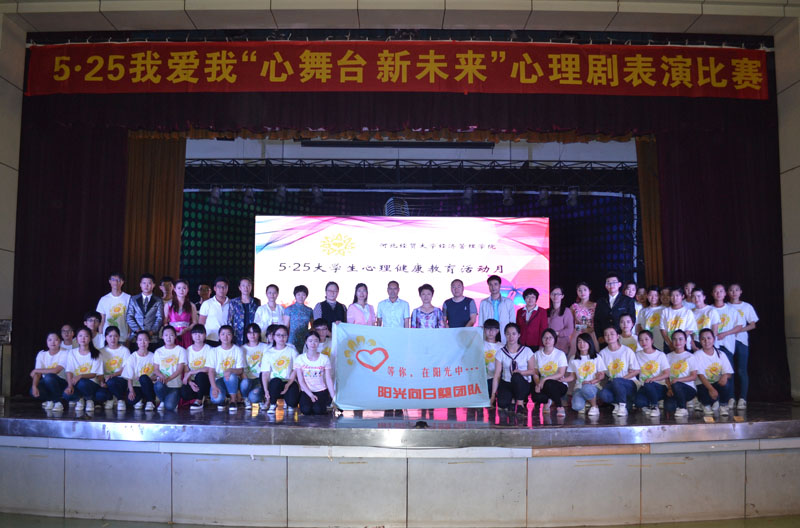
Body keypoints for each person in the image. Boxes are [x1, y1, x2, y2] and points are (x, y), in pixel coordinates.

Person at [490, 323, 535, 414]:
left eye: (514, 334)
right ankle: (512, 399)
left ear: (519, 335)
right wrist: (493, 395)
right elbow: (497, 374)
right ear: (505, 335)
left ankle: (520, 403)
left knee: (516, 376)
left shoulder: (527, 351)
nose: (511, 337)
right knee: (502, 404)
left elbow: (533, 371)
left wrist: (521, 372)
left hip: (522, 383)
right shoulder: (500, 353)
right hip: (507, 383)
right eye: (508, 334)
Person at [728, 283, 759, 409]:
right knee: (729, 371)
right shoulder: (725, 306)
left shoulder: (746, 306)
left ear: (740, 292)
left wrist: (738, 330)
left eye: (736, 290)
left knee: (741, 370)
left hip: (741, 341)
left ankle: (743, 398)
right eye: (731, 290)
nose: (734, 292)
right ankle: (730, 398)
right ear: (727, 292)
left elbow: (753, 324)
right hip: (727, 341)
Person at [598, 326, 640, 416]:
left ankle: (622, 406)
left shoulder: (627, 351)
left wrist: (621, 379)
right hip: (613, 382)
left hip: (629, 382)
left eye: (612, 334)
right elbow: (602, 372)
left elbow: (637, 370)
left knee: (617, 381)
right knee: (602, 394)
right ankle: (618, 404)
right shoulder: (602, 353)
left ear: (618, 336)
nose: (609, 336)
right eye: (606, 335)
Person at [62, 326, 104, 412]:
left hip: (91, 384)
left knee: (82, 382)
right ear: (77, 339)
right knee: (66, 394)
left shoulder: (96, 353)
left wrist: (80, 376)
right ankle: (80, 399)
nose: (83, 338)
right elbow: (69, 371)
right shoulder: (71, 353)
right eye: (80, 336)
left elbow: (94, 374)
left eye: (86, 336)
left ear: (90, 339)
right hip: (76, 383)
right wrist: (70, 386)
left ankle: (89, 400)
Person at [694, 328, 734, 415]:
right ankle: (705, 405)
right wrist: (711, 389)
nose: (706, 341)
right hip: (704, 384)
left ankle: (723, 405)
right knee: (700, 387)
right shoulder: (697, 355)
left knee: (726, 383)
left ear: (714, 339)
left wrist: (725, 376)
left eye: (709, 338)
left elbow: (729, 373)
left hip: (716, 384)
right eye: (703, 339)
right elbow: (700, 375)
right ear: (700, 341)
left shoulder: (721, 354)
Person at [260, 325, 300, 413]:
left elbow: (295, 370)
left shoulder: (292, 351)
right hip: (275, 383)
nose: (281, 338)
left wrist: (288, 384)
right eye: (278, 335)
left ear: (287, 336)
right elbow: (265, 373)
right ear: (274, 337)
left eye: (284, 335)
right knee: (275, 381)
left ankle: (288, 402)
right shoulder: (268, 353)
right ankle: (272, 404)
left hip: (289, 381)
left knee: (292, 403)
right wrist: (266, 390)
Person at [294, 331, 336, 415]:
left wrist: (333, 397)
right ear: (306, 342)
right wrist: (310, 395)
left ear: (319, 342)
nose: (313, 343)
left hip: (321, 390)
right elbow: (301, 381)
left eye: (316, 341)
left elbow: (328, 379)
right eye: (310, 341)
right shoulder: (300, 359)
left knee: (318, 410)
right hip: (306, 391)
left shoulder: (324, 358)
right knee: (306, 410)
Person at [564, 333, 605, 416]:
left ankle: (594, 406)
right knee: (576, 406)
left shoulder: (596, 357)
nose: (582, 344)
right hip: (579, 387)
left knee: (586, 388)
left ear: (590, 343)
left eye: (584, 342)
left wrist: (592, 381)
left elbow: (602, 375)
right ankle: (587, 400)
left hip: (593, 387)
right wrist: (563, 379)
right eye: (579, 342)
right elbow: (572, 376)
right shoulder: (573, 358)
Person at [531, 328, 569, 416]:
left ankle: (559, 407)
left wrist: (544, 379)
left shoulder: (560, 354)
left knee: (549, 383)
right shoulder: (537, 354)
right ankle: (549, 400)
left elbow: (561, 373)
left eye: (550, 338)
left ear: (555, 339)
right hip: (543, 385)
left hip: (559, 384)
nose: (547, 340)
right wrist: (538, 384)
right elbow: (535, 373)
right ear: (542, 339)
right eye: (545, 338)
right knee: (536, 397)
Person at [207, 325, 244, 412]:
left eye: (228, 334)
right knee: (216, 399)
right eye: (223, 334)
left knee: (231, 376)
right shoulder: (213, 351)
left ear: (232, 336)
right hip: (219, 379)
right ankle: (224, 398)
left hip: (233, 380)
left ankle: (233, 400)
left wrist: (230, 370)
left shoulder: (237, 350)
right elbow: (211, 371)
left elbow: (240, 370)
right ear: (219, 336)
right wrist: (214, 387)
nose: (225, 337)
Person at [634, 330, 670, 418]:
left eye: (646, 339)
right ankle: (652, 401)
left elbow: (667, 373)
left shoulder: (660, 355)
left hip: (659, 385)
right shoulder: (637, 355)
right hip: (644, 386)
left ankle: (654, 406)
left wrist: (653, 379)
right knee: (639, 402)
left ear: (652, 340)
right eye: (641, 340)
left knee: (648, 384)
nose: (644, 342)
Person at [29, 331, 69, 411]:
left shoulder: (65, 353)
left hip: (62, 383)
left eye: (56, 340)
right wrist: (34, 386)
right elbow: (37, 374)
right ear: (46, 342)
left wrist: (36, 370)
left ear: (60, 341)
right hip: (47, 382)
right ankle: (50, 399)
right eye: (50, 340)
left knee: (49, 377)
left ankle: (57, 402)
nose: (53, 342)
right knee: (32, 391)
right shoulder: (42, 354)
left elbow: (56, 370)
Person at [593, 272, 636, 343]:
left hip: (622, 337)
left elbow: (632, 319)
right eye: (608, 283)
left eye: (614, 282)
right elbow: (596, 321)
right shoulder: (601, 301)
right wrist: (599, 336)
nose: (611, 285)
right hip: (605, 338)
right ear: (605, 286)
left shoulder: (628, 300)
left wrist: (625, 333)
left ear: (619, 284)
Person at [152, 325, 187, 412]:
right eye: (166, 335)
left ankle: (166, 400)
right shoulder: (158, 351)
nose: (168, 337)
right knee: (158, 385)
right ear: (162, 337)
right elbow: (156, 369)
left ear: (175, 336)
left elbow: (179, 370)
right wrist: (161, 376)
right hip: (162, 383)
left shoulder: (181, 350)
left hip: (175, 385)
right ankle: (163, 400)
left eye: (171, 335)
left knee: (170, 407)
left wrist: (168, 379)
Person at [664, 330, 698, 417]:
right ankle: (681, 402)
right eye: (674, 339)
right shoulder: (668, 356)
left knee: (677, 385)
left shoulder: (690, 356)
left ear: (685, 341)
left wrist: (678, 380)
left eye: (680, 339)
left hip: (688, 388)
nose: (677, 342)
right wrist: (669, 388)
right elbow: (666, 376)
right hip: (673, 388)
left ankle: (683, 408)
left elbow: (693, 376)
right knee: (669, 407)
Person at [121, 331, 157, 411]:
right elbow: (129, 377)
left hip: (149, 385)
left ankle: (150, 401)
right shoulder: (132, 357)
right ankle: (141, 399)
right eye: (140, 340)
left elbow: (157, 375)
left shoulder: (153, 356)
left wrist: (148, 378)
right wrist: (131, 391)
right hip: (136, 386)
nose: (143, 343)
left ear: (149, 341)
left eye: (145, 340)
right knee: (130, 400)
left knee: (143, 378)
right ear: (136, 341)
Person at [126, 273, 164, 347]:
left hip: (152, 338)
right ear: (140, 284)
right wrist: (138, 331)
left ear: (153, 285)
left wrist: (151, 332)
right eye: (144, 283)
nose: (146, 286)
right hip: (136, 337)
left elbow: (159, 318)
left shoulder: (158, 300)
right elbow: (129, 316)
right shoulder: (133, 299)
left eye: (149, 283)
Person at [98, 326, 131, 411]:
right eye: (110, 336)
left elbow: (125, 369)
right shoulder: (101, 351)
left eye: (115, 336)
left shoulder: (125, 350)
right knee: (99, 395)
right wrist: (101, 382)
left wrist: (113, 375)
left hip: (121, 380)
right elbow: (98, 369)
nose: (113, 339)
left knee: (112, 382)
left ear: (119, 337)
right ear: (106, 337)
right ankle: (111, 398)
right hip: (106, 380)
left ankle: (120, 399)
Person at [181, 324, 213, 411]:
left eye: (200, 333)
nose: (197, 336)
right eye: (195, 334)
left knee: (200, 375)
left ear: (205, 335)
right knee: (184, 393)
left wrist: (191, 372)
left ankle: (199, 400)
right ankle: (201, 396)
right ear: (191, 336)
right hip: (193, 380)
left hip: (206, 380)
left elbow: (208, 368)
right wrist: (190, 382)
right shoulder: (187, 350)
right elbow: (186, 369)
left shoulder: (209, 349)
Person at [478, 275, 515, 343]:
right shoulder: (484, 302)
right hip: (489, 332)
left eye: (495, 284)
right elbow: (481, 322)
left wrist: (511, 334)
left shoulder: (508, 302)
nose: (493, 287)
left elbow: (512, 321)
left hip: (504, 331)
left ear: (500, 285)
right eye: (490, 285)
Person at [659, 287, 698, 352]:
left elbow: (689, 330)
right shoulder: (665, 311)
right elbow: (663, 330)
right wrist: (670, 344)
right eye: (672, 296)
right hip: (669, 345)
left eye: (677, 295)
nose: (675, 298)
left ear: (682, 296)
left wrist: (679, 342)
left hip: (684, 345)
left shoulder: (688, 312)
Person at [96, 272, 131, 342]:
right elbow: (102, 320)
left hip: (123, 336)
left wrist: (129, 336)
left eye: (118, 280)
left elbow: (130, 319)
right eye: (113, 280)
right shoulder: (104, 299)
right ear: (110, 281)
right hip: (107, 337)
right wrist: (101, 336)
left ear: (122, 282)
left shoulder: (129, 298)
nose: (115, 282)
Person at [241, 323, 268, 408]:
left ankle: (259, 397)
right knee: (245, 383)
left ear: (259, 334)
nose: (252, 335)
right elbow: (241, 369)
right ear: (246, 334)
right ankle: (245, 398)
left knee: (254, 398)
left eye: (255, 332)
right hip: (247, 378)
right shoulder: (242, 348)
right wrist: (245, 378)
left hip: (260, 379)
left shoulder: (265, 347)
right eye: (249, 332)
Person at [227, 277, 261, 345]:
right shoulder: (234, 302)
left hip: (252, 334)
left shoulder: (256, 302)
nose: (246, 288)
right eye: (243, 285)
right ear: (239, 288)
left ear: (251, 287)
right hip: (237, 334)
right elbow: (230, 320)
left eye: (248, 285)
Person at [165, 278, 198, 348]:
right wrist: (171, 332)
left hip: (186, 334)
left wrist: (186, 329)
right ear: (174, 289)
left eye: (184, 288)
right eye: (179, 288)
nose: (181, 290)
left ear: (187, 290)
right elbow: (164, 323)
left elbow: (194, 322)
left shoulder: (191, 305)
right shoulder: (168, 305)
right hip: (172, 336)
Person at [198, 276, 230, 346]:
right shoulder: (207, 304)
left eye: (224, 287)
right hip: (210, 338)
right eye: (219, 287)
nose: (222, 289)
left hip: (226, 339)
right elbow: (201, 323)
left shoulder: (232, 304)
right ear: (215, 288)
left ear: (227, 288)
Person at [283, 285, 314, 352]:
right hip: (292, 339)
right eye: (298, 294)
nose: (301, 297)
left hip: (305, 339)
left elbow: (313, 327)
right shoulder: (289, 309)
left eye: (303, 295)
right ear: (295, 295)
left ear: (306, 296)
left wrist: (308, 334)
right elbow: (285, 327)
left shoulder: (309, 310)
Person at [570, 282, 597, 355]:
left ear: (589, 291)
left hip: (592, 333)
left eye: (585, 290)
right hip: (578, 333)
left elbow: (598, 322)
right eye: (580, 290)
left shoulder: (595, 305)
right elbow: (570, 324)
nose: (582, 292)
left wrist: (590, 329)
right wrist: (583, 327)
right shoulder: (574, 307)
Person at [636, 286, 665, 351]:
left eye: (656, 295)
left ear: (659, 296)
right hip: (647, 342)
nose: (653, 298)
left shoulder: (664, 309)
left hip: (661, 340)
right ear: (647, 296)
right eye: (650, 295)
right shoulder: (643, 311)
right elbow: (639, 326)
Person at [547, 286, 574, 353]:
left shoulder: (566, 311)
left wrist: (557, 333)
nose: (555, 296)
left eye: (558, 294)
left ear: (562, 296)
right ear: (550, 296)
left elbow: (570, 329)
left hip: (561, 345)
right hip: (548, 344)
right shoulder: (546, 311)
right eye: (553, 294)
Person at [482, 319, 501, 397]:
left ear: (497, 331)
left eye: (493, 329)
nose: (490, 332)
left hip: (496, 378)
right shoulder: (479, 344)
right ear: (484, 330)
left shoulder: (501, 346)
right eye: (488, 329)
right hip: (482, 378)